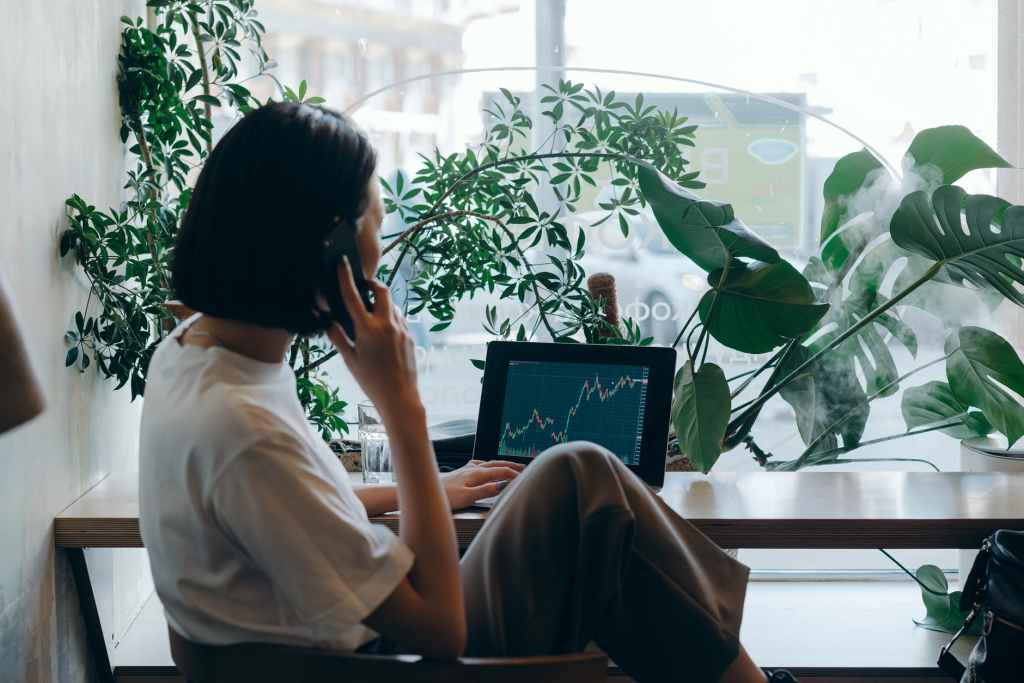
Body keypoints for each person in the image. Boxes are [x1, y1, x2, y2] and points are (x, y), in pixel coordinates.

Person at [139, 102, 797, 683]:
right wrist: (402, 406)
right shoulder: (246, 429)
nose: (385, 236)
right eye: (377, 215)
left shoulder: (194, 355)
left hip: (343, 639)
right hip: (390, 662)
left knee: (580, 478)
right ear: (332, 245)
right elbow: (441, 624)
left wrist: (429, 488)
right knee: (590, 487)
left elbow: (295, 504)